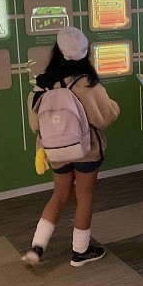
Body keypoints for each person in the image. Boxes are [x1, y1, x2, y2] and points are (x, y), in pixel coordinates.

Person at [23, 27, 120, 267]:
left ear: (56, 51)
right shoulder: (86, 83)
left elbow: (34, 124)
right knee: (84, 197)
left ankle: (37, 247)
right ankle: (80, 252)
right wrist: (113, 106)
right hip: (86, 150)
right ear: (85, 55)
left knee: (59, 194)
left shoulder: (42, 84)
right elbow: (105, 116)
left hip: (55, 151)